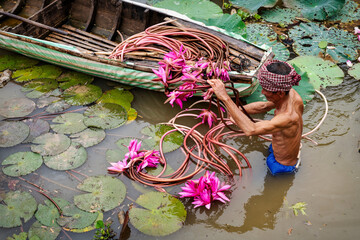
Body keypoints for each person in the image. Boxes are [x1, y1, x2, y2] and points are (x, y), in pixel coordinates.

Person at [208, 60, 303, 175]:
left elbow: (250, 129)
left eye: (266, 90)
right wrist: (237, 111)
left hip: (281, 165)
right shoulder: (290, 94)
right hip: (278, 147)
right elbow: (263, 106)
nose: (262, 92)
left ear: (280, 93)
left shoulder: (288, 117)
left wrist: (225, 97)